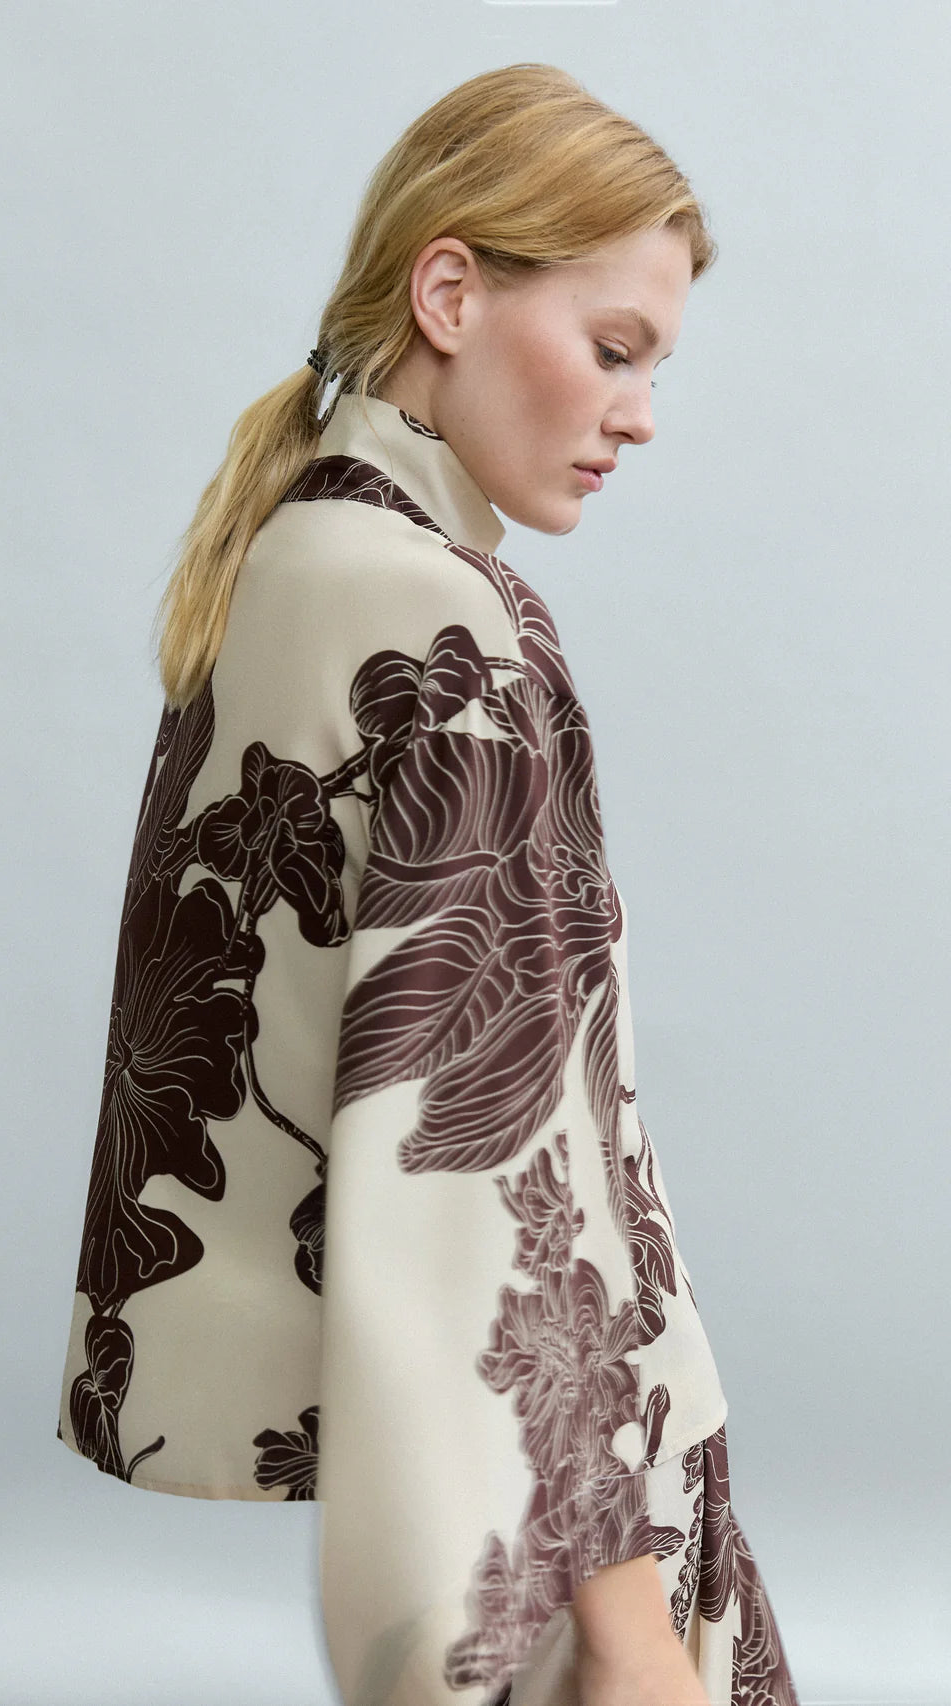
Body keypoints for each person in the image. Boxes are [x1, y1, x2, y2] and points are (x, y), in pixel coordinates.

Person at [54, 62, 800, 1706]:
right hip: (572, 1529)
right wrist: (631, 1635)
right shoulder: (454, 630)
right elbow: (506, 1176)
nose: (640, 415)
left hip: (486, 1487)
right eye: (615, 348)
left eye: (657, 367)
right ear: (448, 293)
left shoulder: (283, 558)